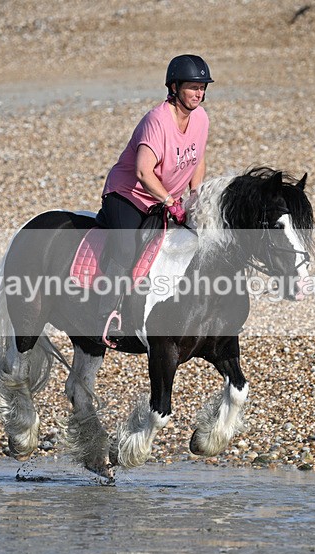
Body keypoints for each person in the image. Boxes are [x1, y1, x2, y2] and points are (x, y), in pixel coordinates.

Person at [95, 54, 213, 347]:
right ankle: (107, 314)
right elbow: (142, 171)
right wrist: (171, 200)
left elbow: (197, 159)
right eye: (192, 87)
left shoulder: (200, 118)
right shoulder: (156, 120)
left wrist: (196, 194)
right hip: (128, 196)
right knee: (125, 248)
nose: (198, 93)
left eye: (202, 87)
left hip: (163, 199)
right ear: (174, 87)